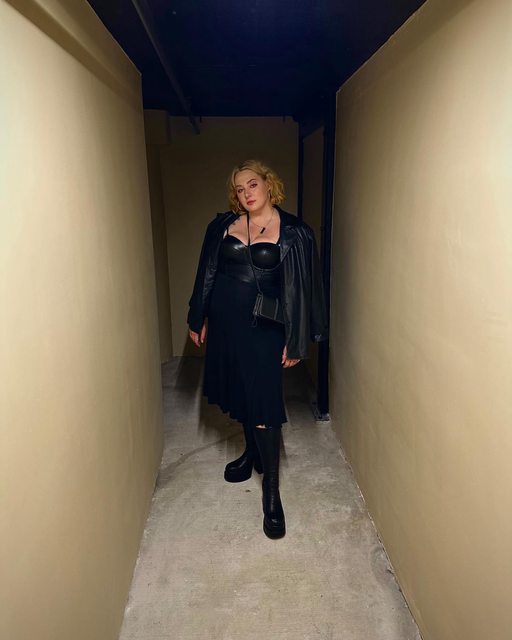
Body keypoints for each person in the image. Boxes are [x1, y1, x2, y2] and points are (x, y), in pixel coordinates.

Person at [188, 159, 328, 539]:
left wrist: (298, 339)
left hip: (265, 325)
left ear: (268, 184)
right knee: (240, 390)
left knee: (264, 400)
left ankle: (271, 493)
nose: (246, 193)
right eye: (239, 189)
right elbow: (207, 273)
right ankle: (252, 453)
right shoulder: (222, 226)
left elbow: (306, 288)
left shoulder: (296, 232)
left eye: (252, 184)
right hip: (225, 322)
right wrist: (198, 316)